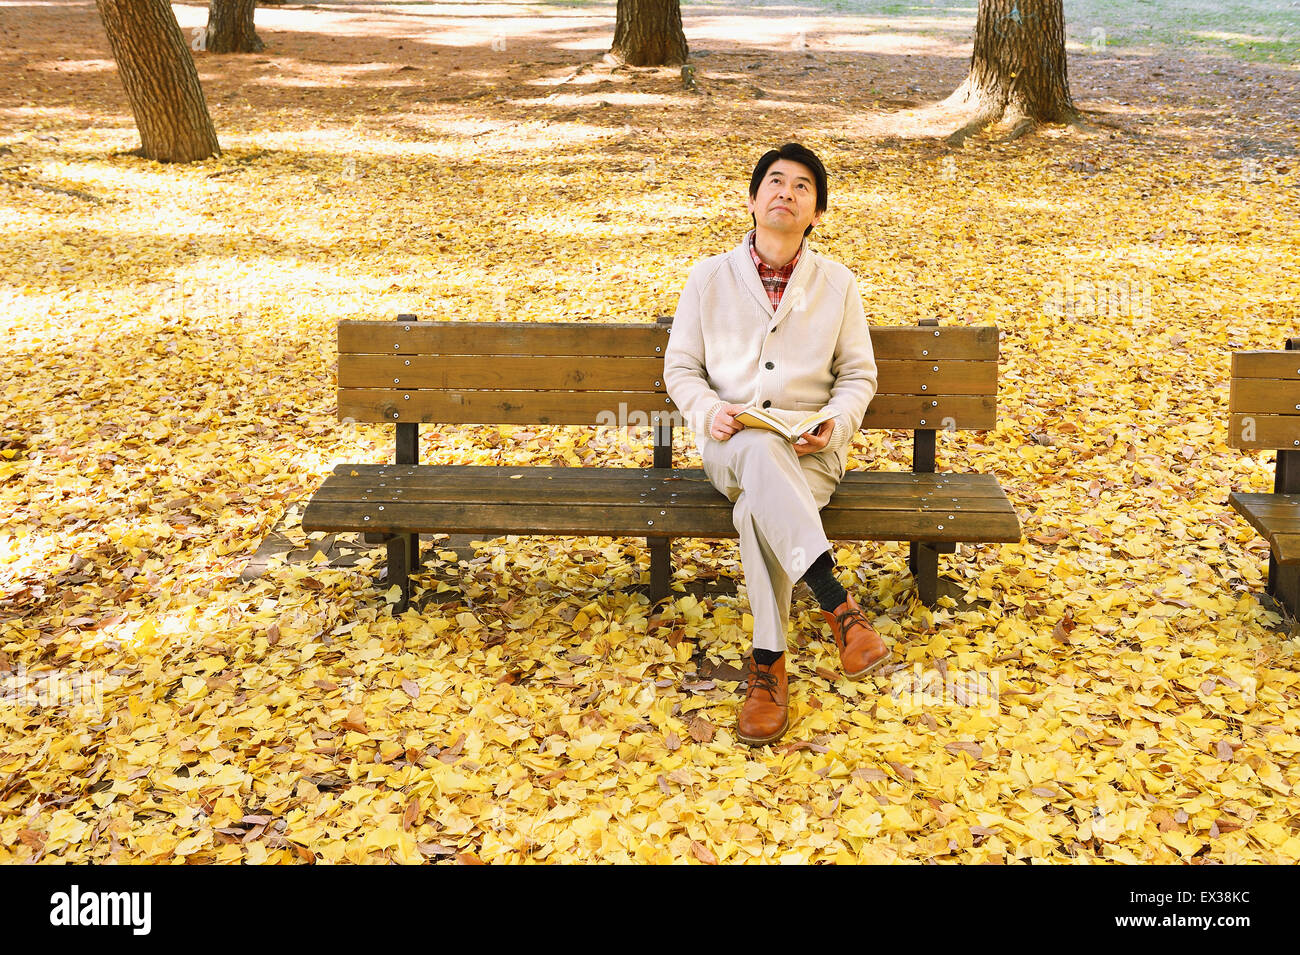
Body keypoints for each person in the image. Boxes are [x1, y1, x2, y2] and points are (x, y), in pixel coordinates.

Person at [663, 143, 890, 746]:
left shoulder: (838, 284)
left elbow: (858, 376)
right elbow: (681, 367)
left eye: (802, 187)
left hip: (811, 452)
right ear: (752, 199)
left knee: (754, 512)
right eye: (775, 182)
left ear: (816, 212)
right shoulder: (708, 277)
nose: (786, 193)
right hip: (732, 443)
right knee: (758, 455)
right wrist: (709, 411)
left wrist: (835, 425)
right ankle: (838, 605)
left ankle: (769, 667)